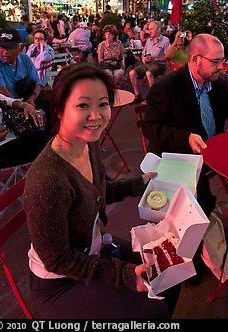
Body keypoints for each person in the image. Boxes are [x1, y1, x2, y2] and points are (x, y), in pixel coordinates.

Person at [23, 63, 179, 319]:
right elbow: (58, 260)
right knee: (153, 309)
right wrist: (122, 274)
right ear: (60, 109)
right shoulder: (47, 180)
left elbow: (95, 192)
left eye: (103, 104)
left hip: (94, 250)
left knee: (169, 273)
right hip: (61, 281)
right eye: (83, 105)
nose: (95, 116)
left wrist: (139, 183)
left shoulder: (87, 143)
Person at [142, 33, 228, 240]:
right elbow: (150, 127)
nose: (221, 66)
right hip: (181, 157)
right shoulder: (167, 87)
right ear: (195, 60)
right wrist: (186, 138)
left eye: (222, 60)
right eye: (216, 61)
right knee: (201, 201)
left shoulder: (216, 83)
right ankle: (194, 249)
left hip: (213, 150)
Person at [0, 27, 51, 122]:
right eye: (1, 47)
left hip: (27, 101)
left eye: (10, 48)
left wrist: (31, 99)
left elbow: (38, 83)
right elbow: (1, 90)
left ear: (20, 48)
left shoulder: (25, 58)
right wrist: (21, 106)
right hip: (6, 107)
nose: (5, 51)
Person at [0, 86, 49, 168]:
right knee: (47, 142)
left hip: (10, 126)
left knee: (47, 123)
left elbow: (0, 98)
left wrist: (24, 105)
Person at [129, 21, 170, 103]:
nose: (149, 31)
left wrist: (156, 59)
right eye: (149, 29)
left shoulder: (165, 40)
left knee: (148, 73)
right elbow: (143, 54)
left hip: (159, 64)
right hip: (148, 64)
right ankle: (137, 95)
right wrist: (143, 58)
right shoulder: (148, 41)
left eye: (151, 29)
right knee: (131, 73)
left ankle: (152, 96)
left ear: (158, 30)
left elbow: (167, 57)